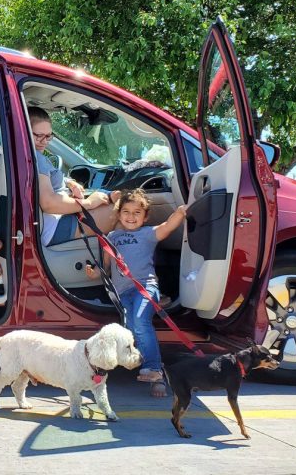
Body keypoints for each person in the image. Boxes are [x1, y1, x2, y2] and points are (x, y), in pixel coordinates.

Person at [85, 189, 186, 387]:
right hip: (123, 292)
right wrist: (95, 273)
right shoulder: (112, 236)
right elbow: (105, 265)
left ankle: (154, 368)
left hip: (145, 288)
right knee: (131, 328)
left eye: (137, 212)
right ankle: (150, 371)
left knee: (140, 321)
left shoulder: (147, 234)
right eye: (126, 212)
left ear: (145, 216)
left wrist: (181, 212)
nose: (131, 217)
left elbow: (167, 226)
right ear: (119, 214)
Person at [29, 106, 119, 245]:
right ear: (25, 131)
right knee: (126, 210)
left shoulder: (28, 156)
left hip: (52, 222)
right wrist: (89, 203)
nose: (45, 141)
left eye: (48, 136)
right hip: (55, 226)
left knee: (112, 198)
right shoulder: (36, 158)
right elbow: (48, 204)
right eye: (39, 136)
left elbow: (44, 182)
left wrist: (69, 182)